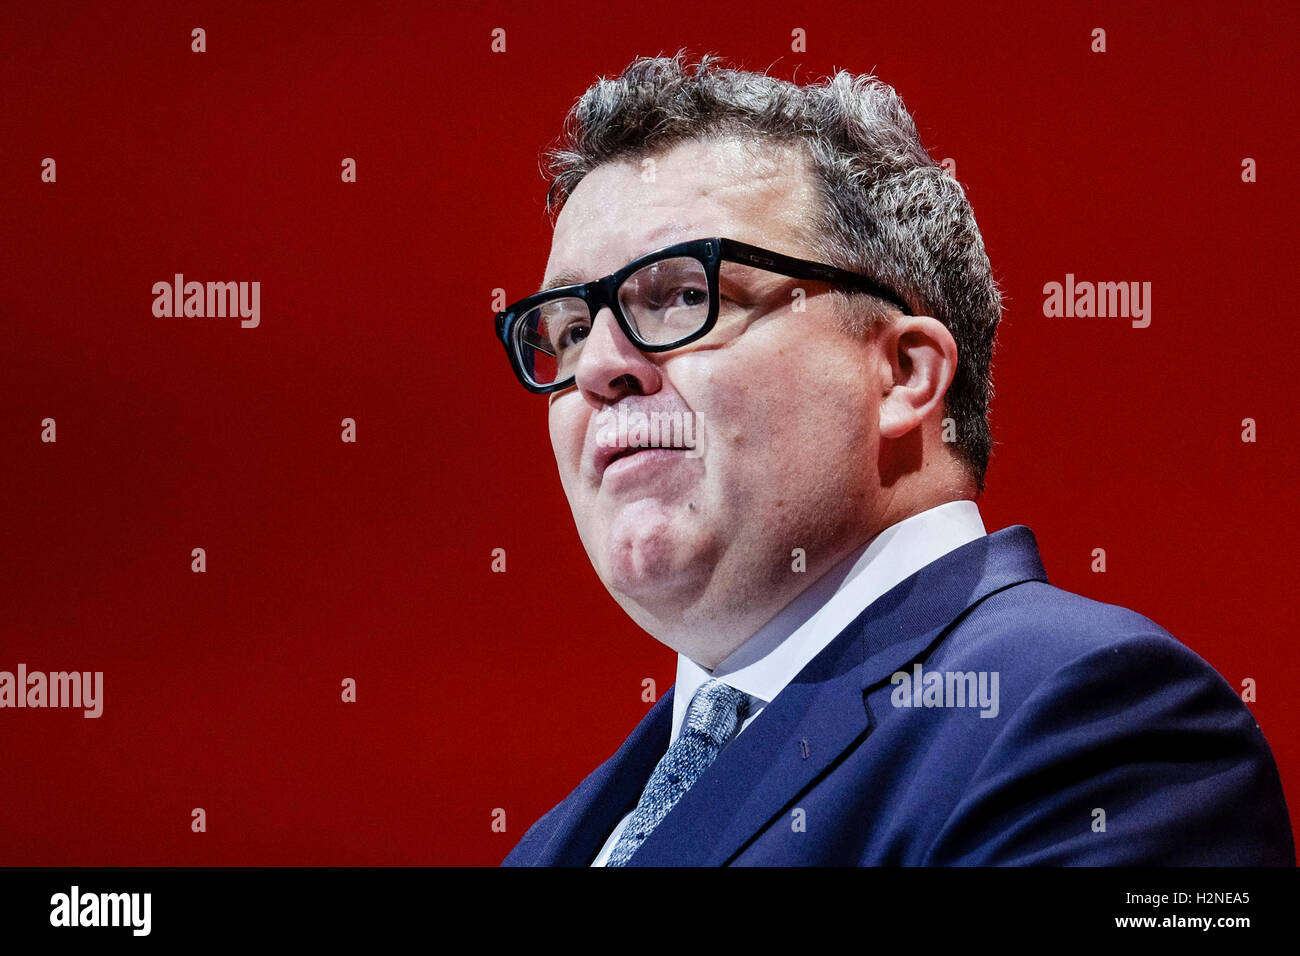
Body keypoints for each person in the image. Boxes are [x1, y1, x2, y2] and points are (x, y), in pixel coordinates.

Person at [492, 53, 1293, 866]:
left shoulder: (1097, 722)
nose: (596, 368)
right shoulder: (552, 845)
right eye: (567, 329)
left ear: (904, 375)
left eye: (683, 296)